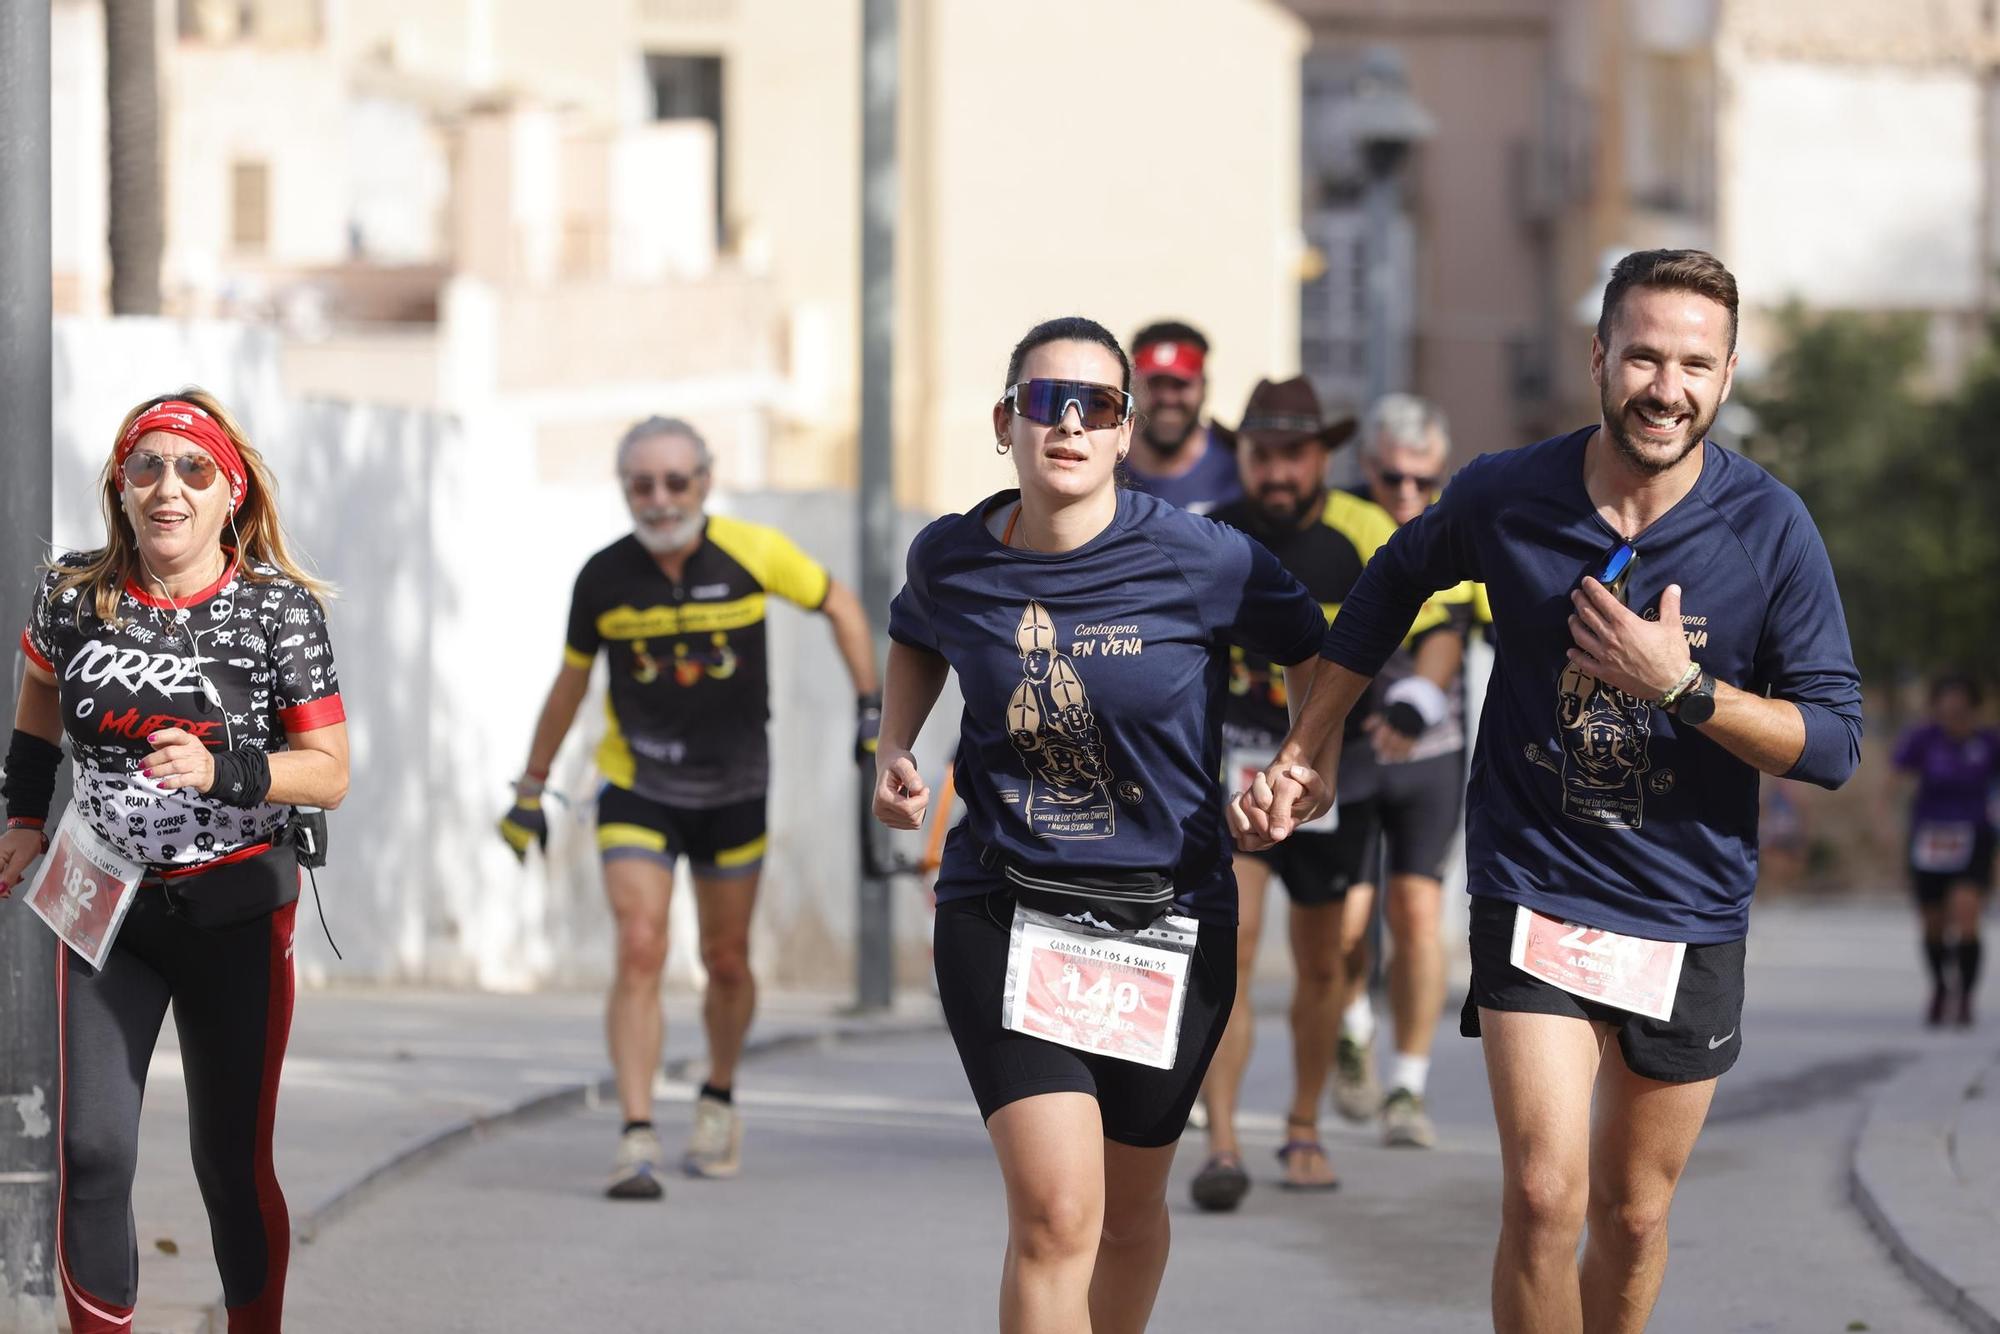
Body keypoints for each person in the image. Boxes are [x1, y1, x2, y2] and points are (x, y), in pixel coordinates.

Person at [1233, 250, 1863, 1333]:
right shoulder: (1504, 493)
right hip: (1535, 882)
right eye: (1643, 356)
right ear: (1598, 357)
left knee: (1629, 1212)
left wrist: (1685, 687)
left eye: (1693, 364)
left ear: (1723, 375)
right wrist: (1311, 739)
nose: (1664, 387)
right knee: (1539, 1194)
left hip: (1684, 909)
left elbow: (1832, 740)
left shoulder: (1769, 529)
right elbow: (1390, 582)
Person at [873, 317, 1328, 1333]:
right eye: (1045, 401)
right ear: (1005, 422)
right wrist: (893, 746)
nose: (1070, 423)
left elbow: (1316, 646)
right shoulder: (952, 556)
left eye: (1099, 406)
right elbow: (914, 632)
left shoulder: (1202, 558)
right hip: (1004, 904)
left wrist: (1305, 770)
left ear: (1126, 432)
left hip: (1166, 918)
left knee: (1126, 1219)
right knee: (1054, 1214)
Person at [0, 390, 350, 1334]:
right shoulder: (76, 591)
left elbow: (330, 773)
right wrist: (25, 815)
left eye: (193, 469)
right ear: (121, 485)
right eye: (145, 466)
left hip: (234, 910)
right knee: (93, 1150)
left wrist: (225, 769)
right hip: (105, 901)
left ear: (229, 492)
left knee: (230, 1167)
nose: (168, 488)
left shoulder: (275, 610)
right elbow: (38, 700)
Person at [499, 417, 880, 1199]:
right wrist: (531, 788)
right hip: (637, 785)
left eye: (677, 481)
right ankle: (636, 1133)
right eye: (643, 484)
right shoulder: (603, 577)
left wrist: (875, 715)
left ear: (704, 482)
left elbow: (841, 605)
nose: (661, 498)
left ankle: (719, 1095)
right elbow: (570, 685)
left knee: (726, 960)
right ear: (625, 490)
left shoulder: (751, 552)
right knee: (640, 944)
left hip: (736, 787)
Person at [1185, 376, 1374, 1207]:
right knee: (1229, 947)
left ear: (1322, 454)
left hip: (1333, 773)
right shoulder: (1211, 537)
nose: (1278, 472)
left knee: (1322, 966)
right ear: (1243, 456)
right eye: (1262, 454)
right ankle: (1222, 1141)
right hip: (1234, 773)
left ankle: (1303, 1124)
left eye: (1295, 454)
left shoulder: (1366, 533)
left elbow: (1427, 634)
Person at [1329, 394, 1488, 1149]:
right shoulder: (1338, 522)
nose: (1408, 496)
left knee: (1419, 917)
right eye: (1393, 479)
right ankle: (1355, 1027)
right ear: (1367, 468)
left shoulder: (1461, 525)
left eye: (1425, 482)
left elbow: (1466, 629)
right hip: (1353, 754)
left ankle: (1408, 1087)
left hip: (1432, 757)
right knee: (1347, 922)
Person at [1890, 672, 1998, 1026]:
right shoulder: (1923, 739)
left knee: (1966, 914)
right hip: (1928, 840)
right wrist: (1887, 824)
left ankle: (1965, 996)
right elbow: (1894, 780)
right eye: (1946, 703)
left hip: (1974, 838)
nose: (1953, 710)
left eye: (1960, 704)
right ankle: (1940, 986)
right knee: (1933, 923)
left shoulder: (1989, 743)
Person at [1122, 321, 1243, 514]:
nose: (1168, 398)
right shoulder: (1103, 467)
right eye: (1155, 384)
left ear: (1204, 387)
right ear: (1132, 386)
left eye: (1180, 384)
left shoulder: (1241, 470)